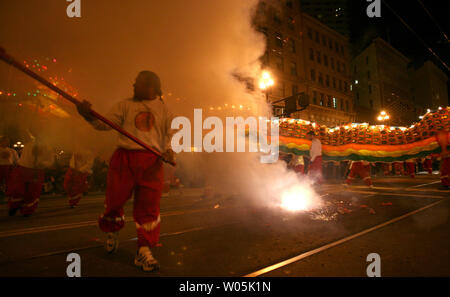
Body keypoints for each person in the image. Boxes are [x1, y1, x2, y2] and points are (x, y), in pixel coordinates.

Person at [76, 71, 175, 272]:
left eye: (138, 84)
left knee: (149, 207)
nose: (134, 86)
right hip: (124, 159)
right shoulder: (124, 105)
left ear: (152, 88)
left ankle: (144, 250)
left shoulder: (165, 110)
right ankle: (112, 230)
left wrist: (169, 150)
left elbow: (171, 135)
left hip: (152, 161)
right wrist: (87, 115)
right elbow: (104, 125)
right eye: (134, 83)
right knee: (115, 200)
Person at [7, 131, 54, 216]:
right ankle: (14, 206)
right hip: (22, 169)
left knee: (32, 192)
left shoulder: (48, 148)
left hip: (36, 171)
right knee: (17, 190)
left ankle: (27, 210)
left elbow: (50, 160)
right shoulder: (29, 141)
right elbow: (24, 131)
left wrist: (43, 164)